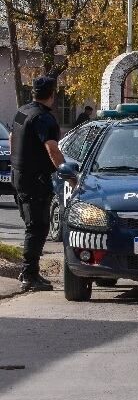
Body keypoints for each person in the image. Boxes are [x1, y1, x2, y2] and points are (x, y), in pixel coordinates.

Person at [10, 77, 66, 292]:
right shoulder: (44, 119)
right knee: (38, 227)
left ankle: (29, 272)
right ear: (52, 94)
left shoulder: (23, 111)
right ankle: (29, 275)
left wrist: (18, 161)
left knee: (32, 225)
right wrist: (66, 173)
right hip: (35, 180)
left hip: (19, 176)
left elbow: (13, 136)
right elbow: (52, 149)